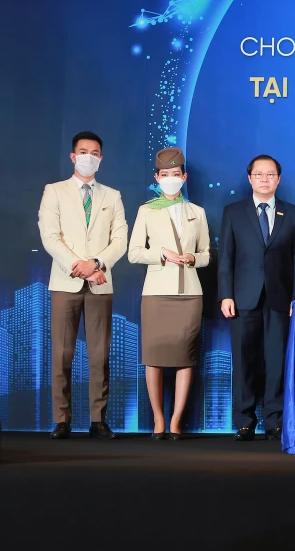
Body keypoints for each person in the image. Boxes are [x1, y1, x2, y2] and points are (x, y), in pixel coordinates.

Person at [38, 131, 128, 440]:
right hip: (66, 282)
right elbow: (50, 237)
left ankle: (98, 420)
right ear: (73, 156)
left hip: (101, 283)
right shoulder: (54, 191)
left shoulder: (112, 195)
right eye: (83, 151)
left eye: (95, 153)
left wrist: (97, 264)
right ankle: (61, 419)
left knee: (100, 355)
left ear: (101, 159)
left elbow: (120, 240)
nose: (89, 157)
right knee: (62, 354)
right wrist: (82, 268)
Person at [218, 155, 295, 442]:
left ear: (278, 179)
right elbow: (226, 258)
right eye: (259, 174)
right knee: (244, 360)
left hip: (281, 300)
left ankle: (274, 420)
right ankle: (244, 421)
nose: (265, 179)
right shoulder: (233, 212)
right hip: (243, 298)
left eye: (270, 174)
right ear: (250, 178)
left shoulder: (294, 214)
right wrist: (226, 295)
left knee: (277, 361)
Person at [128, 148, 210, 440]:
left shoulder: (197, 212)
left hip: (189, 294)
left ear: (184, 177)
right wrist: (161, 253)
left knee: (185, 356)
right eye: (165, 174)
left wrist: (192, 258)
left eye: (176, 174)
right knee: (154, 357)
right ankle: (158, 420)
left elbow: (206, 255)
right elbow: (134, 253)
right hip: (156, 294)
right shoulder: (147, 210)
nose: (171, 178)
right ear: (157, 178)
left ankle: (176, 421)